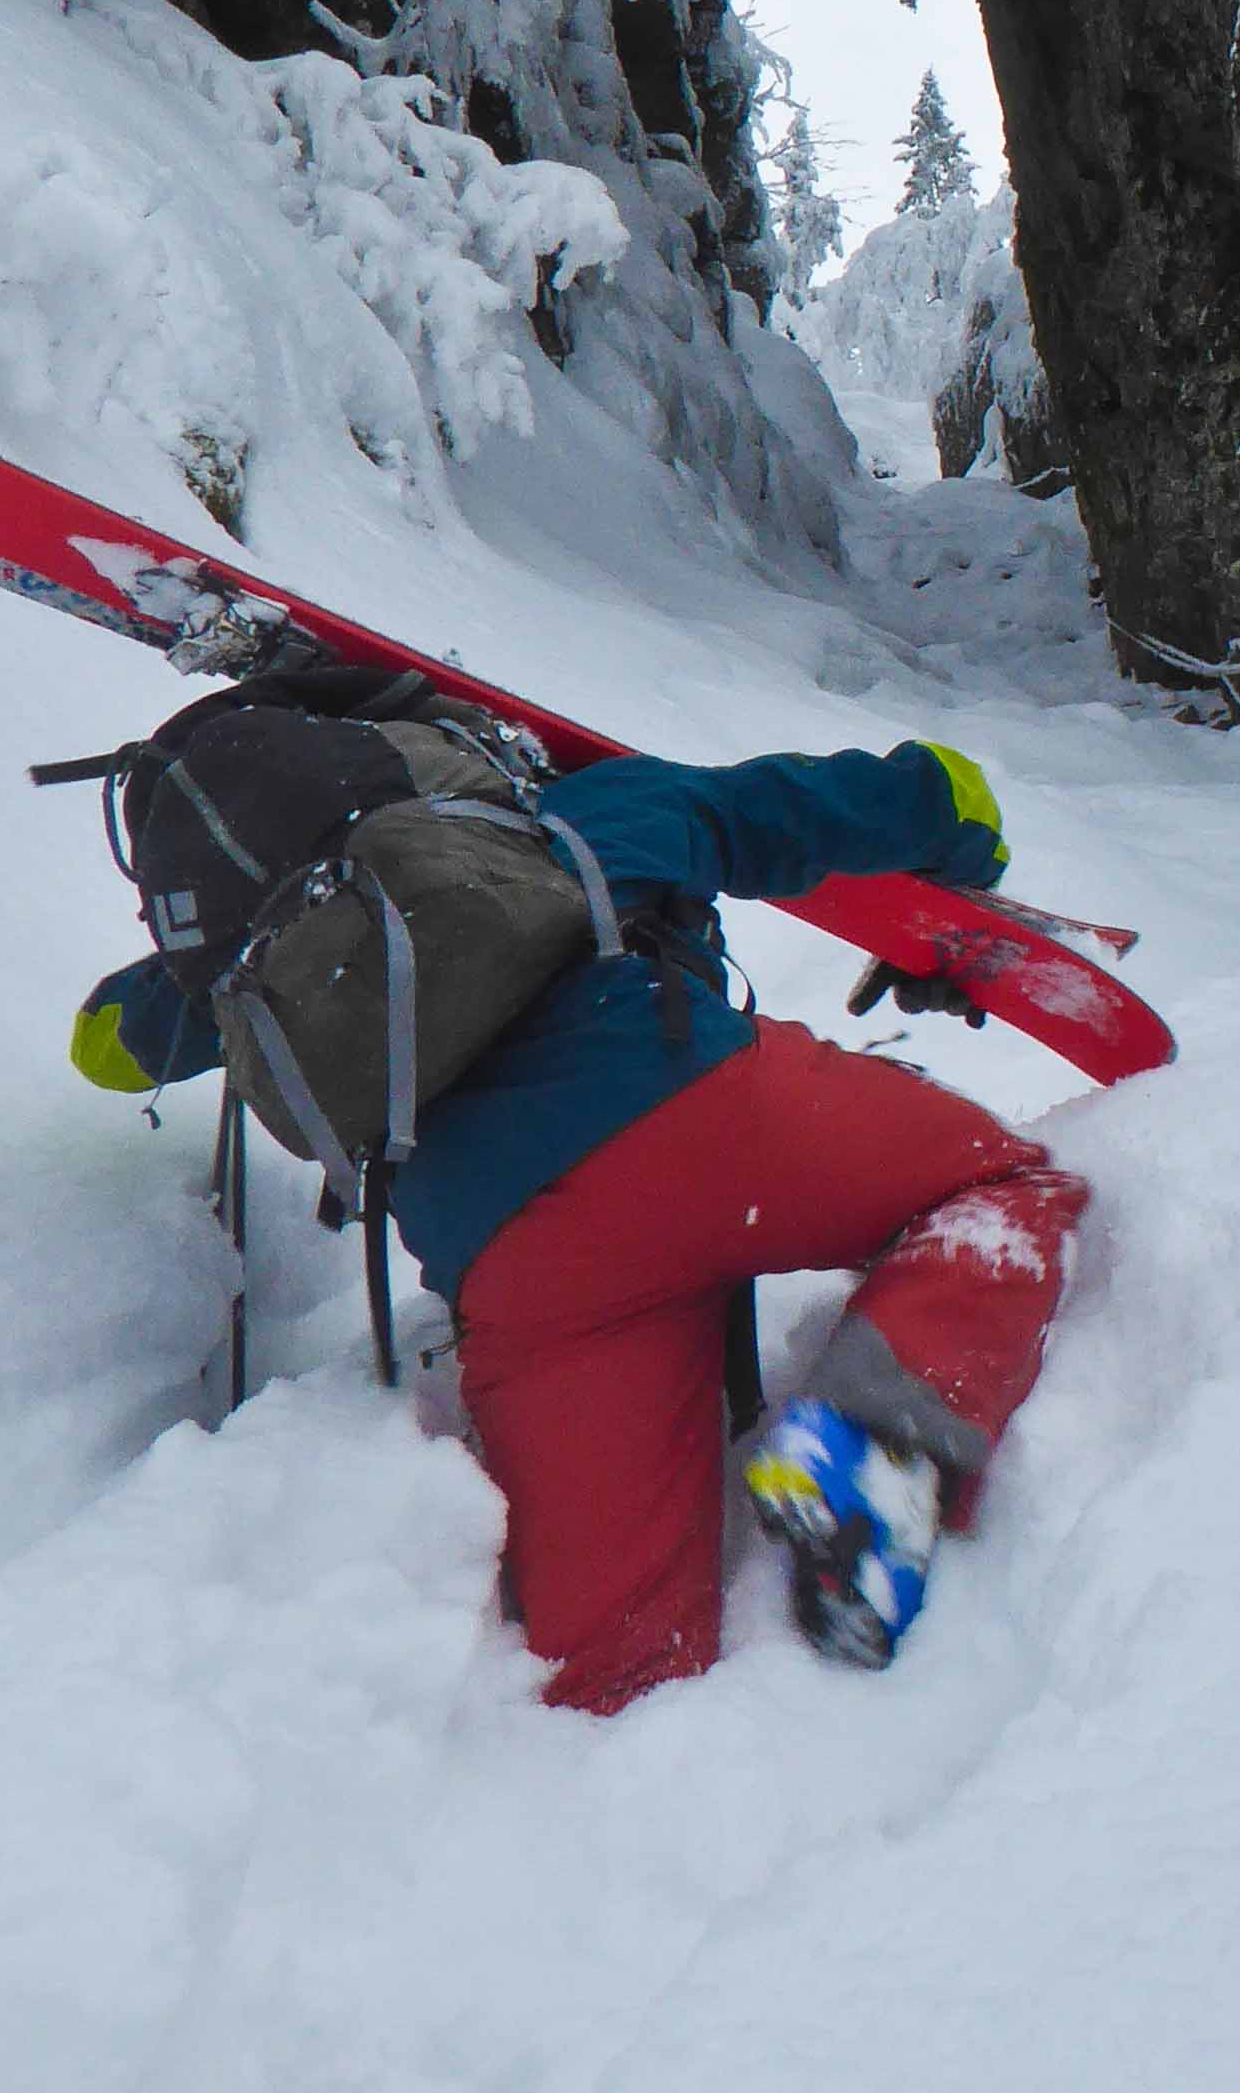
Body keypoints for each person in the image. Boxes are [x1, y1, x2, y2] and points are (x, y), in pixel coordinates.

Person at [69, 731, 1088, 1709]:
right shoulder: (554, 819)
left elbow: (107, 1045)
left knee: (617, 1666)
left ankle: (629, 1809)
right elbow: (780, 809)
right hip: (709, 1129)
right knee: (1000, 1189)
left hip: (527, 1268)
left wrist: (180, 981)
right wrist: (948, 802)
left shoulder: (267, 977)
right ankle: (877, 1445)